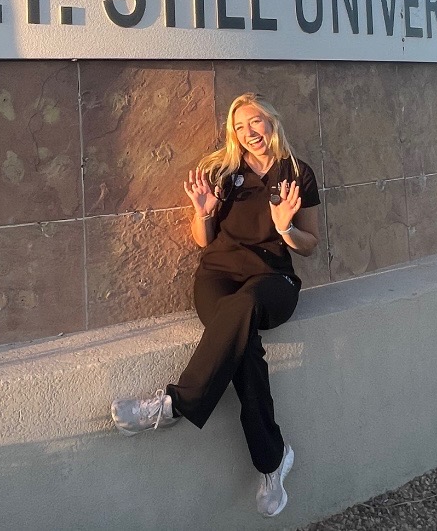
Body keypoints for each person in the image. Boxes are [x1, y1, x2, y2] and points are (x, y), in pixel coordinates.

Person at [111, 92, 321, 518]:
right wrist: (204, 213)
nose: (249, 134)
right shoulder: (222, 172)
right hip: (217, 277)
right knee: (243, 347)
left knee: (244, 309)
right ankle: (272, 461)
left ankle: (175, 404)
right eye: (240, 127)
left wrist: (286, 231)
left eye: (255, 122)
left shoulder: (297, 173)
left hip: (273, 281)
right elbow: (203, 241)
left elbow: (310, 246)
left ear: (272, 121)